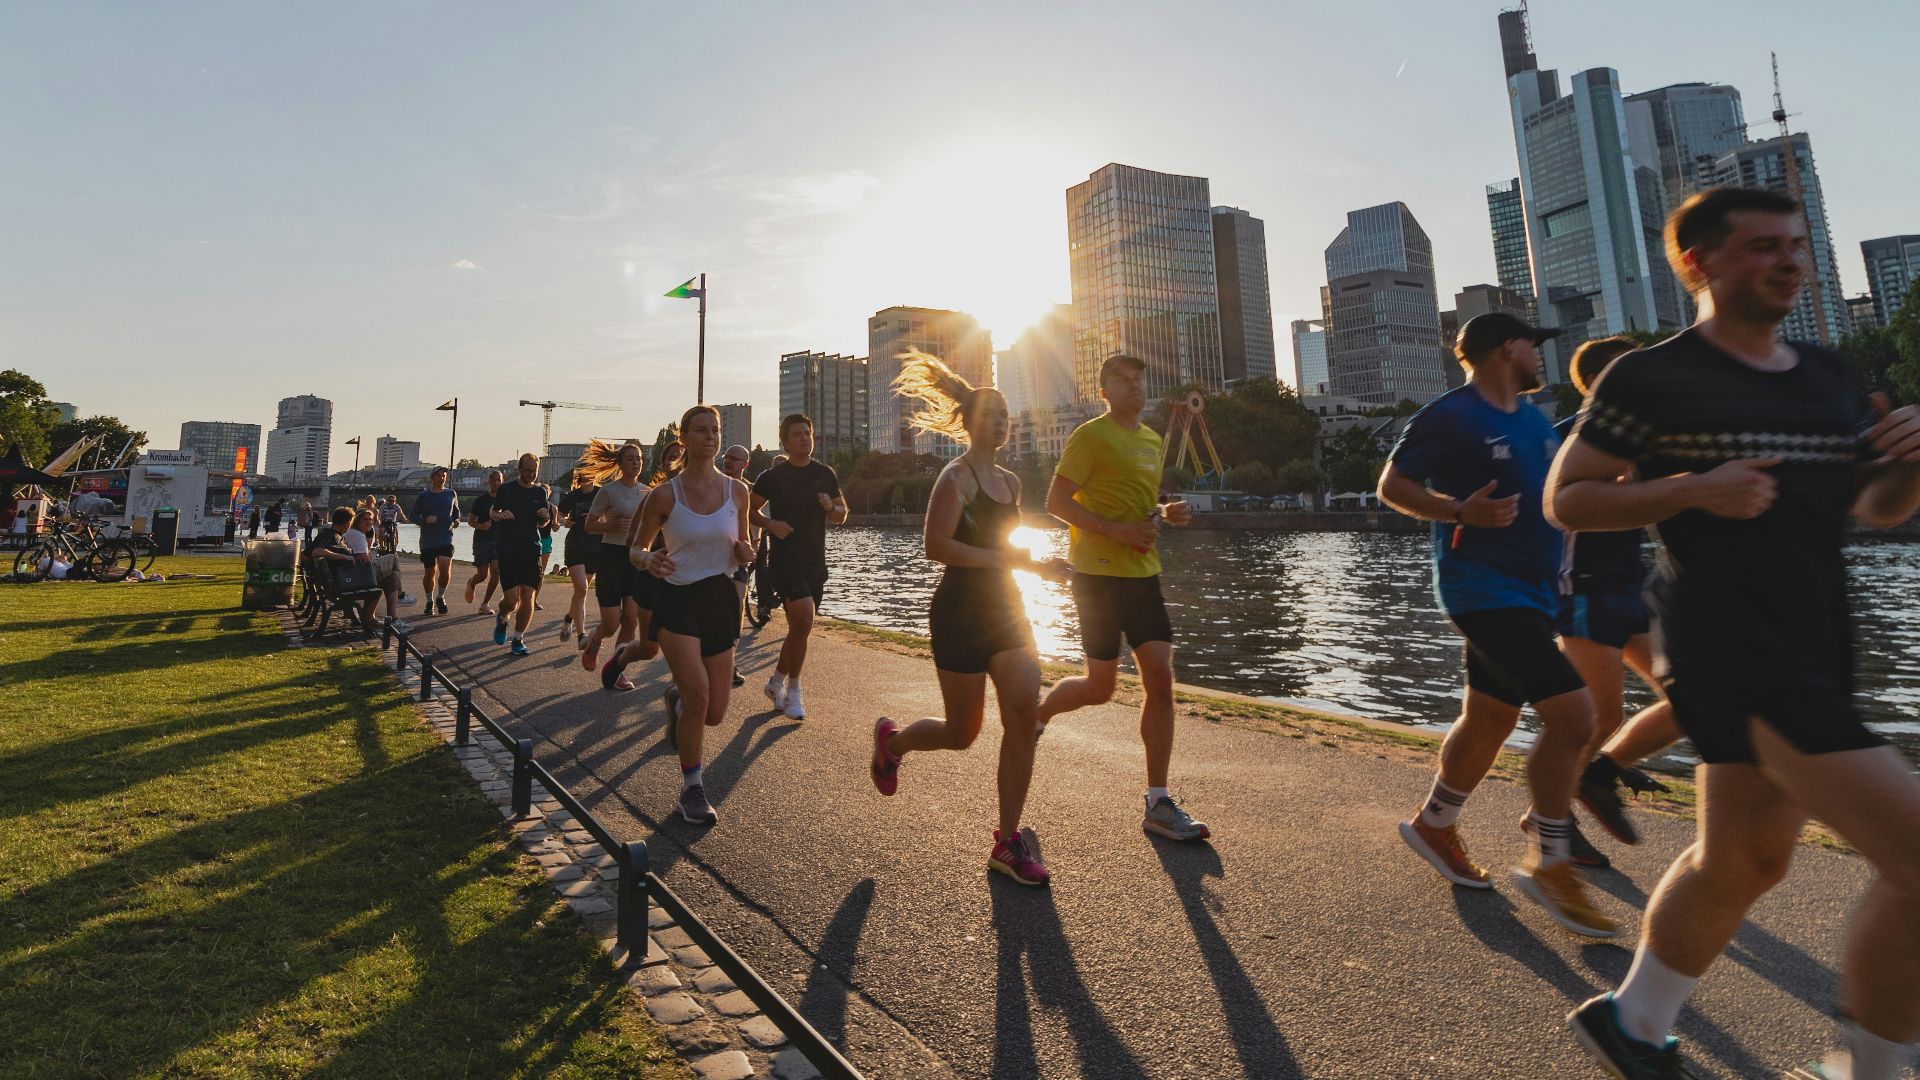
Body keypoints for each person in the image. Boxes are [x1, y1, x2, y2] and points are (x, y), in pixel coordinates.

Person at [1552, 188, 1920, 1079]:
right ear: (1698, 264)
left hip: (1817, 641)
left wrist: (1911, 466)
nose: (1789, 260)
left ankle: (1634, 1023)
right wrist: (1689, 488)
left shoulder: (1828, 377)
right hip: (1728, 648)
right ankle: (1870, 1069)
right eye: (1763, 246)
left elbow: (1874, 510)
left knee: (1744, 860)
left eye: (1795, 243)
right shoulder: (1648, 378)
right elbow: (1569, 496)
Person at [1377, 313, 1617, 938]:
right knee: (1575, 718)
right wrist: (1458, 509)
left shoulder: (1536, 421)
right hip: (1480, 589)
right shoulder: (1450, 414)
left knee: (1491, 716)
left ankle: (1434, 823)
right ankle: (1552, 859)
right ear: (1507, 348)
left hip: (1534, 594)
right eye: (1533, 345)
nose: (1540, 356)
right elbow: (1391, 485)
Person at [868, 353, 1072, 885]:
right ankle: (892, 744)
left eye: (1006, 415)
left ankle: (1007, 841)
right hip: (959, 614)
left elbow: (1007, 546)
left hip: (1006, 610)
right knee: (963, 733)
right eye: (991, 415)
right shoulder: (954, 478)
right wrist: (1010, 560)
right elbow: (937, 546)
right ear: (968, 422)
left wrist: (1040, 567)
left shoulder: (1010, 482)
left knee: (1023, 712)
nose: (1001, 423)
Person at [1032, 353, 1208, 844]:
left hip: (1143, 575)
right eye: (1122, 382)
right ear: (1104, 391)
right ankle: (1039, 715)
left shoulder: (1152, 440)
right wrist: (1115, 531)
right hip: (1097, 577)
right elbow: (1056, 502)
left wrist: (1164, 513)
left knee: (1160, 677)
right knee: (1100, 687)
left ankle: (1158, 800)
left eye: (1139, 381)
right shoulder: (1089, 436)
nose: (1134, 388)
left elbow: (1137, 508)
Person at [1551, 336, 1685, 866]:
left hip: (1632, 584)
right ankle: (1551, 818)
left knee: (1694, 699)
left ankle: (1601, 774)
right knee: (1598, 715)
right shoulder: (1570, 440)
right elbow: (1556, 509)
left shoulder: (1648, 439)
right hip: (1582, 585)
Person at [628, 405, 755, 826]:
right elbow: (636, 549)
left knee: (714, 712)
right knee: (701, 695)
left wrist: (745, 553)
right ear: (683, 438)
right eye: (700, 430)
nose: (710, 437)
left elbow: (744, 544)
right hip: (677, 598)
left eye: (715, 430)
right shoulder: (665, 495)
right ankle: (692, 789)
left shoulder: (738, 492)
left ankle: (678, 701)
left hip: (720, 599)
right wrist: (648, 561)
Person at [750, 415, 848, 720]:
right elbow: (747, 510)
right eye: (797, 434)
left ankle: (775, 682)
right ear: (785, 442)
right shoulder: (773, 477)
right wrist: (769, 524)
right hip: (784, 560)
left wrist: (831, 507)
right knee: (804, 617)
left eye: (808, 432)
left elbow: (843, 514)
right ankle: (794, 691)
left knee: (799, 628)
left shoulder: (825, 474)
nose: (804, 438)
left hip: (815, 562)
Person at [582, 442, 653, 689]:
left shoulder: (648, 492)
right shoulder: (608, 492)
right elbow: (589, 525)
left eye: (639, 458)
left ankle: (617, 668)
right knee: (612, 623)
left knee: (631, 619)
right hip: (612, 557)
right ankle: (595, 639)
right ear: (621, 464)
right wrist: (611, 526)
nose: (636, 463)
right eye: (631, 459)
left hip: (634, 557)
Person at [487, 454, 552, 656]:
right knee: (511, 599)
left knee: (528, 596)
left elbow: (542, 523)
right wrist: (500, 515)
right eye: (527, 470)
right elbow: (492, 512)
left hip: (532, 549)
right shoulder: (506, 490)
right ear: (519, 469)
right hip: (508, 549)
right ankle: (503, 616)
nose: (531, 474)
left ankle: (518, 639)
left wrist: (545, 518)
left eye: (534, 471)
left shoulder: (540, 492)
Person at [307, 507, 381, 631]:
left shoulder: (330, 535)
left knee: (390, 577)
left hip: (341, 579)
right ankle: (371, 619)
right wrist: (345, 557)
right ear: (347, 523)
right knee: (380, 587)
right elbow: (316, 551)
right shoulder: (331, 537)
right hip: (344, 582)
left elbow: (305, 554)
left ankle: (370, 618)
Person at [345, 507, 412, 632]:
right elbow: (365, 559)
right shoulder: (358, 535)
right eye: (365, 519)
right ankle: (401, 596)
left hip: (353, 573)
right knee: (392, 558)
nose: (369, 522)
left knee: (393, 577)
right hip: (360, 575)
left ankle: (392, 619)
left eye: (371, 520)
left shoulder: (353, 533)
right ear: (356, 520)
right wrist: (377, 563)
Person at [555, 466, 600, 649]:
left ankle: (568, 618)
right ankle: (581, 636)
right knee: (581, 588)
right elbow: (559, 513)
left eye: (590, 473)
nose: (587, 477)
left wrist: (597, 518)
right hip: (575, 544)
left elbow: (611, 514)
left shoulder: (601, 494)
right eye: (584, 474)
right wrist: (564, 521)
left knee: (582, 590)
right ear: (579, 477)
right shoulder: (572, 496)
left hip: (595, 546)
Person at [720, 443, 754, 687]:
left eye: (734, 458)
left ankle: (730, 663)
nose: (728, 461)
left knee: (736, 608)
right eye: (726, 457)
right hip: (713, 557)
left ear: (745, 464)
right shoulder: (713, 485)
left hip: (740, 556)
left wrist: (756, 544)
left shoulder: (749, 490)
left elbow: (755, 520)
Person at [410, 466, 460, 615]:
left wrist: (456, 521)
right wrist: (425, 520)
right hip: (428, 540)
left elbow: (457, 512)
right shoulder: (424, 496)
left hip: (446, 538)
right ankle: (429, 601)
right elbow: (412, 516)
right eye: (438, 475)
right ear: (432, 478)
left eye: (444, 475)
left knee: (445, 570)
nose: (442, 478)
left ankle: (440, 596)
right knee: (430, 572)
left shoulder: (451, 494)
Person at [464, 468, 503, 613]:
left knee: (496, 571)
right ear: (489, 482)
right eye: (493, 479)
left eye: (498, 479)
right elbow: (471, 521)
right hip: (482, 541)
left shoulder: (506, 500)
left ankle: (484, 604)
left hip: (499, 541)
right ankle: (472, 582)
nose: (496, 482)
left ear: (502, 481)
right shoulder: (481, 500)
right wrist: (481, 526)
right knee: (482, 575)